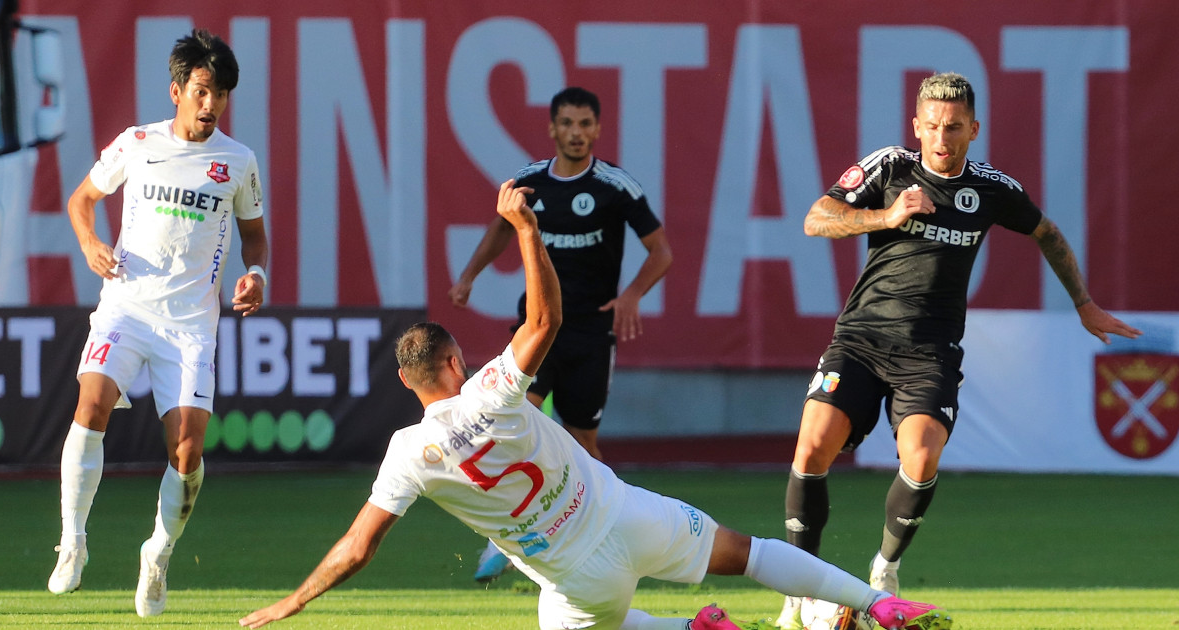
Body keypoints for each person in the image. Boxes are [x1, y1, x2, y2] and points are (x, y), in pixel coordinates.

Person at [238, 181, 952, 630]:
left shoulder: (406, 455)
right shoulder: (492, 389)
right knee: (757, 555)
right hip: (628, 515)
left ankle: (695, 629)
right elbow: (544, 323)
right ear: (456, 362)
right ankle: (875, 603)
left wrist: (292, 603)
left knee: (575, 619)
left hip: (578, 574)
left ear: (410, 384)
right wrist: (525, 229)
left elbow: (358, 548)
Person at [774, 72, 1141, 630]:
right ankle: (800, 584)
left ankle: (885, 570)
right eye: (933, 127)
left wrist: (1084, 303)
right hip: (862, 339)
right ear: (916, 126)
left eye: (954, 127)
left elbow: (1046, 232)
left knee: (921, 459)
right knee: (811, 448)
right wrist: (885, 216)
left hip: (931, 352)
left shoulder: (993, 188)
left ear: (973, 128)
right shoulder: (890, 168)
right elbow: (814, 219)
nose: (942, 138)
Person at [47, 29, 268, 619]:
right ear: (176, 90)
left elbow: (255, 239)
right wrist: (91, 242)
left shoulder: (238, 161)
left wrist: (258, 276)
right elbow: (80, 200)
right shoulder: (137, 143)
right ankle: (73, 541)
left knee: (189, 452)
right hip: (127, 305)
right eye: (201, 89)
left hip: (192, 326)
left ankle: (158, 554)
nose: (211, 102)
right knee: (90, 405)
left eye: (219, 92)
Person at [449, 85, 672, 581]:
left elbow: (662, 251)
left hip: (590, 333)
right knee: (516, 419)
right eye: (567, 124)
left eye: (585, 124)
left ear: (597, 129)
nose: (576, 133)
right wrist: (469, 275)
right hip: (536, 329)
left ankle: (610, 534)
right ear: (552, 129)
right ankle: (504, 538)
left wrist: (632, 293)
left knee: (583, 444)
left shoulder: (616, 186)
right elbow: (501, 228)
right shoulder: (530, 181)